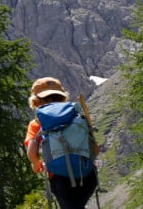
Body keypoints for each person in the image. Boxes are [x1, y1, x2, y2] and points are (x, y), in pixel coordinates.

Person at [23, 77, 98, 209]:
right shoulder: (77, 115)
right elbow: (95, 149)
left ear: (35, 102)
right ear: (63, 97)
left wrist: (37, 165)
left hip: (60, 178)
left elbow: (32, 151)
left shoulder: (36, 123)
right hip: (87, 174)